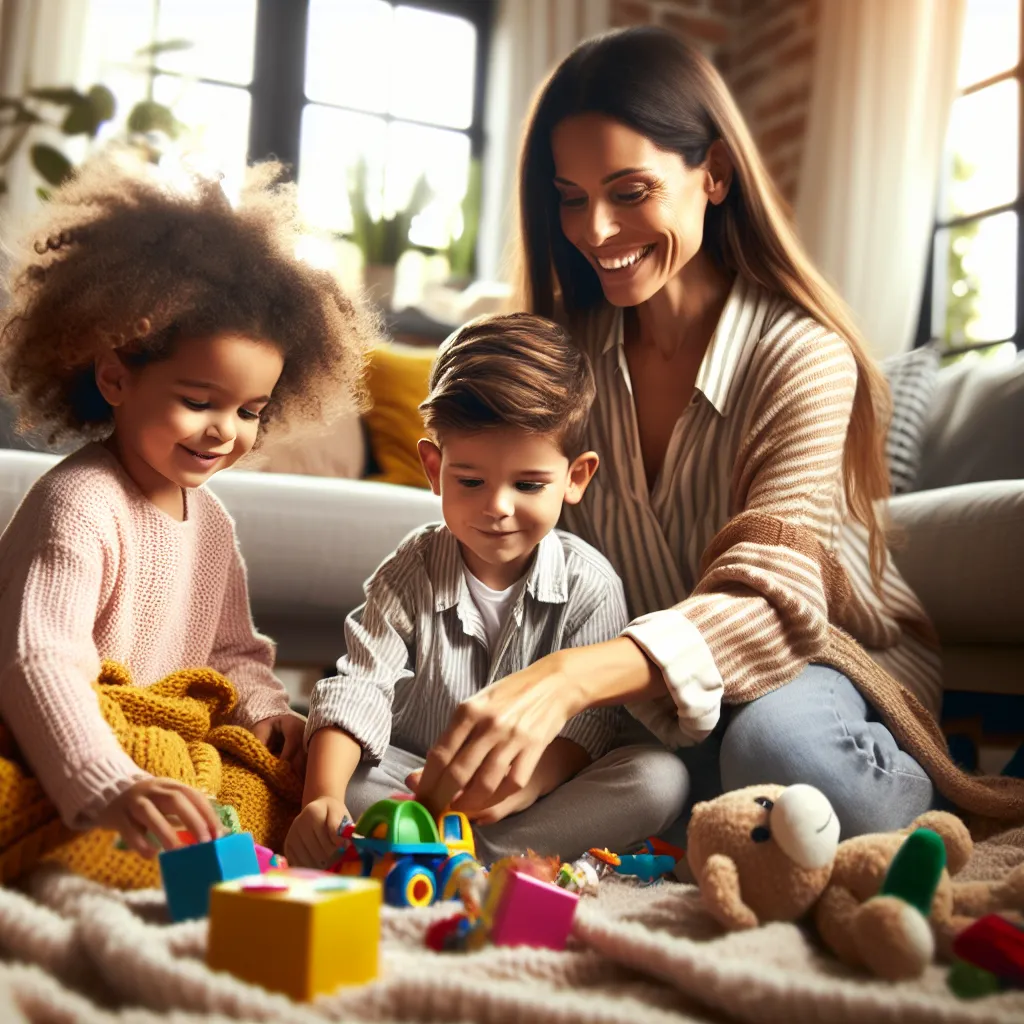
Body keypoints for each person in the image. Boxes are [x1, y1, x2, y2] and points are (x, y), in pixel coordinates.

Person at [414, 26, 949, 840]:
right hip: (644, 687)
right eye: (569, 196)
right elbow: (544, 583)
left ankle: (906, 776)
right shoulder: (566, 367)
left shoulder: (801, 354)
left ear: (716, 175)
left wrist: (568, 680)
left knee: (778, 747)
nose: (593, 230)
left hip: (817, 658)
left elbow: (772, 606)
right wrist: (540, 748)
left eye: (629, 192)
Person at [0, 157, 374, 858]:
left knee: (269, 787)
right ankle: (115, 829)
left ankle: (169, 829)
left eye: (250, 411)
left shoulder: (209, 524)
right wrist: (108, 783)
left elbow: (232, 651)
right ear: (115, 377)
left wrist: (266, 710)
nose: (223, 431)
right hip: (62, 731)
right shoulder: (78, 504)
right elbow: (36, 660)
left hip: (163, 737)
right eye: (198, 402)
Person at [285, 313, 686, 867]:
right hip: (417, 785)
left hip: (532, 799)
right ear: (434, 468)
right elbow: (360, 687)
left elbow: (589, 726)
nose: (497, 507)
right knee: (338, 772)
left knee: (658, 778)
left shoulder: (590, 584)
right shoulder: (411, 570)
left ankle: (465, 855)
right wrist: (322, 799)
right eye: (470, 481)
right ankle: (422, 841)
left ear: (576, 477)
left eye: (527, 485)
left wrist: (526, 785)